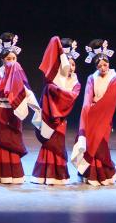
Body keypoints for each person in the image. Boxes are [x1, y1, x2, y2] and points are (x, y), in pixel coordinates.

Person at [0, 33, 40, 184]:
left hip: (13, 111)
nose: (11, 62)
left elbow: (26, 90)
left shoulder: (19, 73)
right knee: (0, 140)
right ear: (2, 60)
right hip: (0, 110)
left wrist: (35, 107)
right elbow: (0, 89)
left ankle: (14, 173)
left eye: (14, 59)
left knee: (13, 139)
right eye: (8, 59)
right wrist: (9, 74)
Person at [29, 36, 81, 185]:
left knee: (58, 144)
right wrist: (55, 90)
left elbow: (71, 97)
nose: (71, 67)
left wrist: (58, 92)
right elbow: (50, 93)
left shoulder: (75, 81)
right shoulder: (53, 80)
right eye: (69, 64)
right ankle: (43, 174)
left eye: (73, 64)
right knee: (48, 142)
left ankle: (58, 175)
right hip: (50, 116)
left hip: (61, 118)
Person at [71, 39, 116, 186]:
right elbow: (87, 98)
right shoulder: (92, 78)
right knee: (92, 143)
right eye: (100, 66)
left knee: (101, 144)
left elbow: (111, 100)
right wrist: (88, 112)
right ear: (96, 66)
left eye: (105, 65)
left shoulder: (114, 77)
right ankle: (90, 174)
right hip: (92, 116)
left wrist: (96, 105)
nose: (103, 68)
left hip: (105, 116)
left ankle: (105, 173)